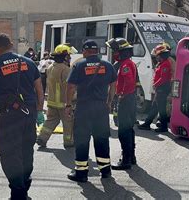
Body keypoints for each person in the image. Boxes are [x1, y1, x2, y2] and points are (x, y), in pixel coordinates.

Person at [0, 33, 45, 200]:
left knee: (10, 154)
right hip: (29, 114)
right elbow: (39, 89)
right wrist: (39, 111)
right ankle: (24, 186)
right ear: (10, 45)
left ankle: (18, 193)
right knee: (26, 151)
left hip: (9, 117)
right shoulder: (29, 62)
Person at [65, 40, 117, 182]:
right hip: (101, 108)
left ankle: (81, 174)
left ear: (85, 51)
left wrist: (68, 105)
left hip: (84, 107)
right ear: (97, 51)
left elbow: (70, 87)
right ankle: (105, 170)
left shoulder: (79, 65)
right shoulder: (108, 65)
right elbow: (113, 84)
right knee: (102, 139)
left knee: (82, 140)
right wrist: (109, 102)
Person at [106, 38, 138, 170]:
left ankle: (126, 161)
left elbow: (129, 82)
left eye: (116, 51)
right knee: (129, 130)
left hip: (126, 100)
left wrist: (122, 95)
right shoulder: (128, 63)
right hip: (130, 99)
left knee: (123, 132)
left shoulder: (125, 65)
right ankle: (131, 157)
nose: (114, 53)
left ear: (122, 52)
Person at [36, 45, 74, 149]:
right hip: (63, 103)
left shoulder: (50, 67)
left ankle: (42, 138)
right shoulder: (66, 70)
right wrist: (72, 100)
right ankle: (68, 142)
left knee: (51, 121)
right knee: (68, 123)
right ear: (65, 57)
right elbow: (69, 87)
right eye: (69, 56)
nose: (70, 58)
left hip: (52, 101)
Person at [138, 44, 172, 132]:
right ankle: (147, 124)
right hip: (160, 88)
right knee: (155, 107)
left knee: (161, 108)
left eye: (157, 56)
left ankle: (162, 127)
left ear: (161, 55)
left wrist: (155, 85)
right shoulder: (162, 63)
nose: (156, 58)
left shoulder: (165, 64)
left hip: (162, 88)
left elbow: (163, 78)